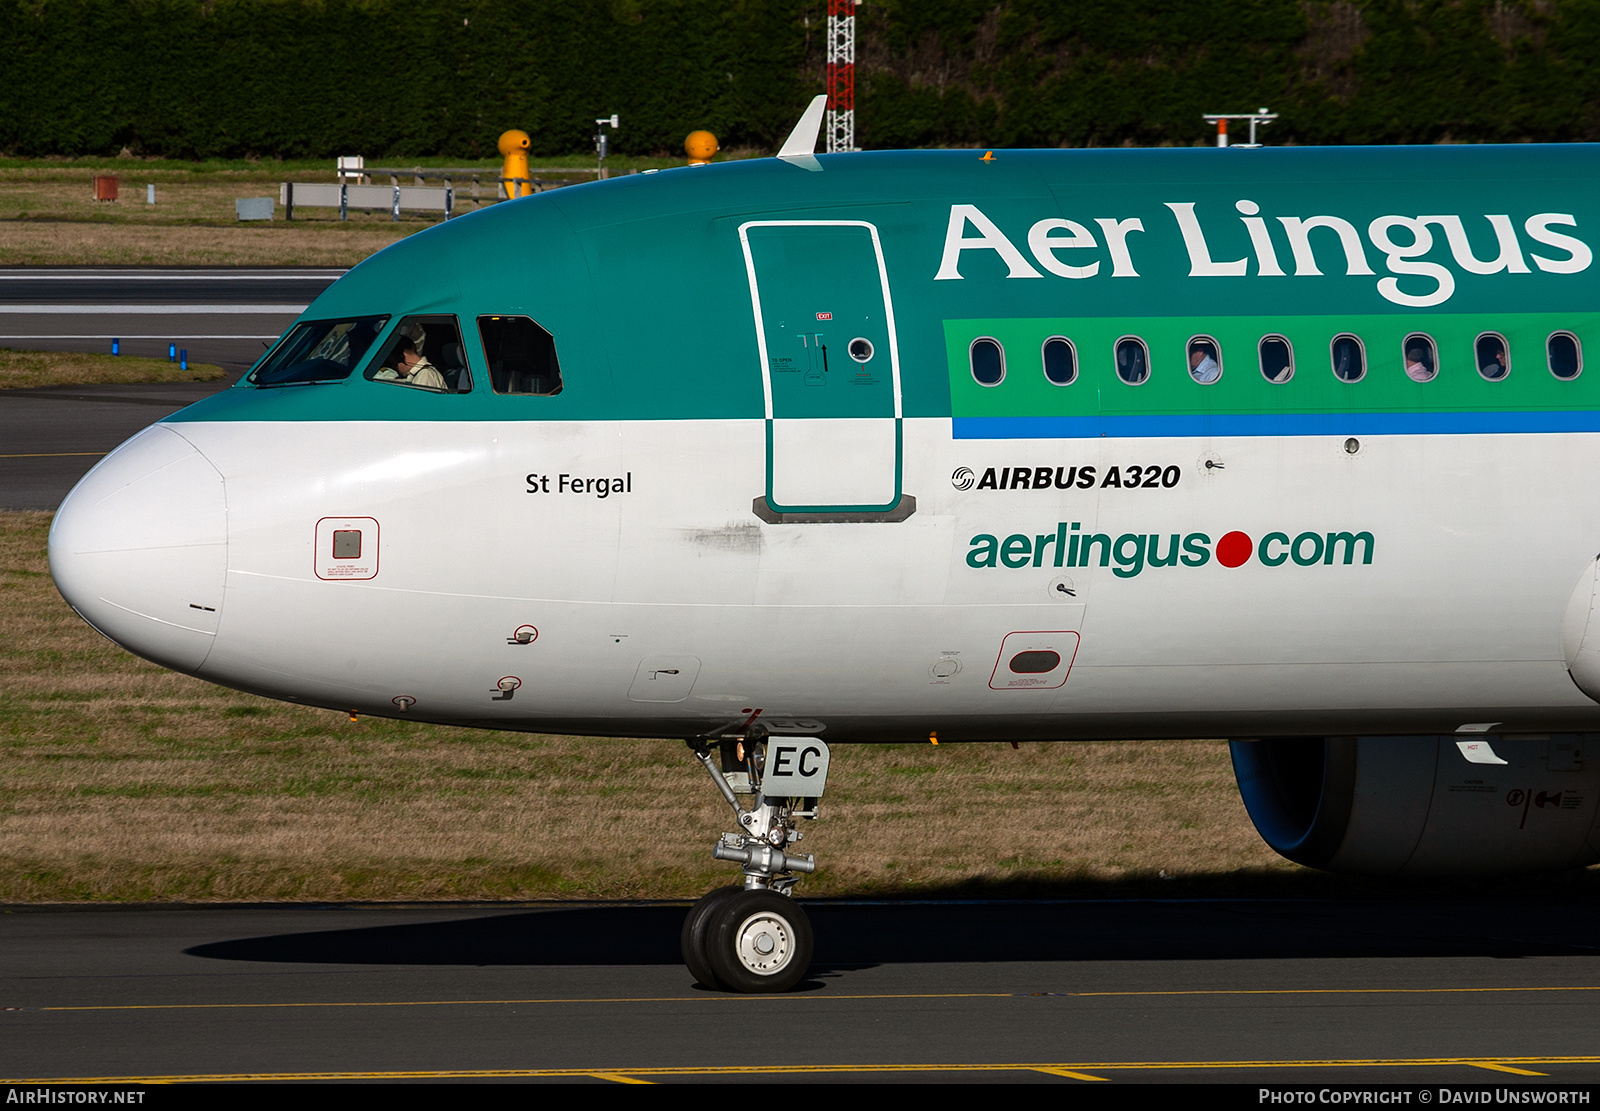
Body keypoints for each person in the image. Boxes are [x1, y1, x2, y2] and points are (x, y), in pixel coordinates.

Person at [374, 336, 446, 390]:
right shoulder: (423, 373)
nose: (396, 369)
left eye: (395, 364)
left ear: (402, 357)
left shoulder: (424, 374)